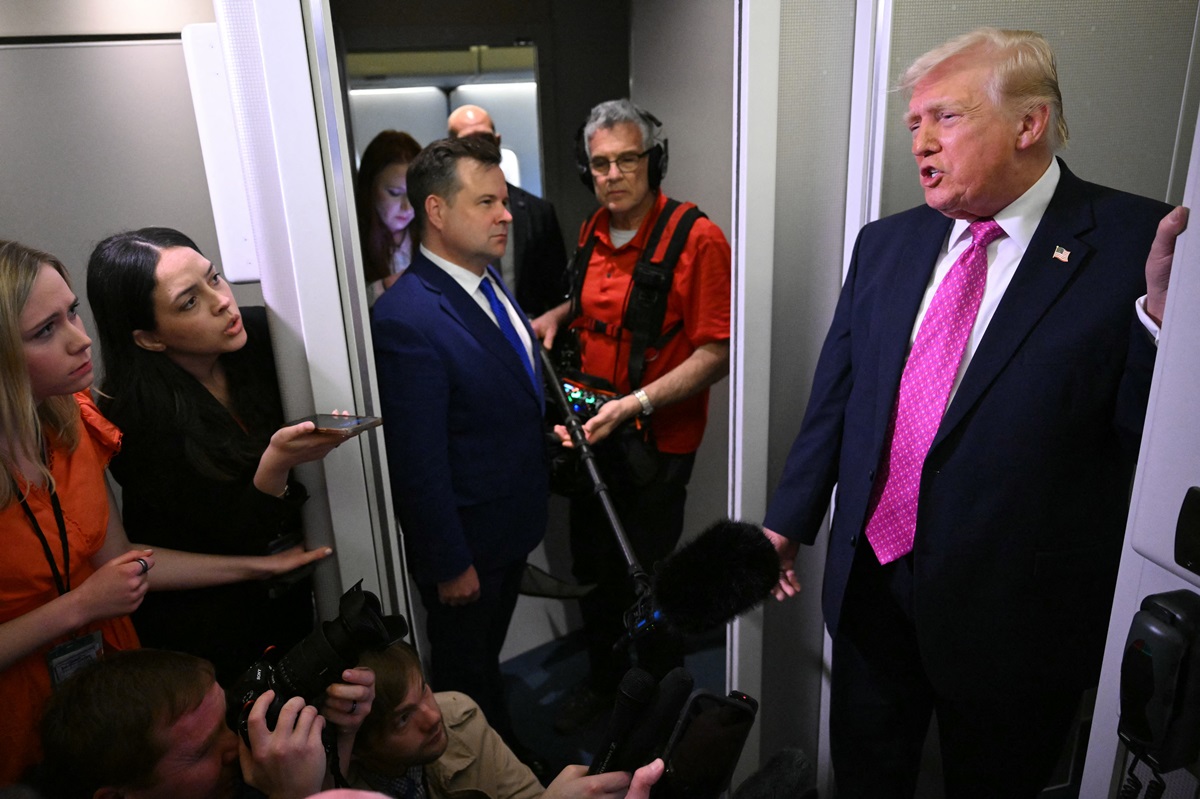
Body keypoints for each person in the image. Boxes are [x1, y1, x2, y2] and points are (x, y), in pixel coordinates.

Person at [761, 28, 1188, 797]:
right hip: (871, 586)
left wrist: (1166, 324)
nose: (921, 141)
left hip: (1017, 614)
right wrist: (787, 521)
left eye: (945, 117)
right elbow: (838, 395)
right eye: (914, 123)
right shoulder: (886, 243)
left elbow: (1148, 444)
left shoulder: (1137, 245)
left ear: (1030, 123)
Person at [0, 240, 330, 784]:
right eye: (45, 331)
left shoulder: (71, 418)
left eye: (72, 313)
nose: (81, 339)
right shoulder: (138, 413)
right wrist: (80, 606)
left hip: (111, 679)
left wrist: (260, 566)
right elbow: (106, 584)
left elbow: (123, 559)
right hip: (20, 699)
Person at [530, 99, 731, 733]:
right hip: (592, 435)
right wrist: (557, 315)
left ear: (654, 161)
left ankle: (661, 709)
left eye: (627, 159)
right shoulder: (593, 229)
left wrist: (635, 404)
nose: (613, 174)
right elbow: (596, 307)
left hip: (656, 444)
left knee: (649, 582)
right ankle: (603, 682)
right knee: (594, 569)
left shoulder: (697, 239)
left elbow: (716, 354)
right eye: (600, 164)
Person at [86, 227, 345, 685]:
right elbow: (232, 533)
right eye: (189, 302)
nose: (222, 301)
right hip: (205, 622)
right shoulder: (132, 417)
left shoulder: (260, 337)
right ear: (149, 339)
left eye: (214, 278)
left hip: (288, 592)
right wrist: (277, 461)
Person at [371, 136, 549, 774]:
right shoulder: (407, 316)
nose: (505, 215)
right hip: (467, 547)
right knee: (463, 674)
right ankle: (480, 777)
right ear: (437, 211)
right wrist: (449, 563)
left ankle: (504, 758)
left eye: (504, 201)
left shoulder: (487, 282)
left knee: (484, 664)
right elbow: (417, 460)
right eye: (487, 203)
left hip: (508, 524)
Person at [36, 648, 375, 799]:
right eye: (201, 751)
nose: (237, 747)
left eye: (227, 722)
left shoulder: (228, 787)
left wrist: (343, 731)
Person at [350, 641, 662, 799]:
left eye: (424, 690)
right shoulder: (340, 788)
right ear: (359, 748)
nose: (433, 717)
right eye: (404, 718)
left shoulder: (459, 717)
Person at [448, 104, 568, 316]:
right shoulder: (443, 214)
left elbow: (558, 293)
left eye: (485, 139)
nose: (478, 148)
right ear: (452, 148)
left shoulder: (537, 212)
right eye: (468, 142)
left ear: (497, 142)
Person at [355, 130, 423, 306]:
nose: (407, 207)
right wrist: (385, 286)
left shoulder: (432, 233)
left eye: (414, 195)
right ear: (369, 189)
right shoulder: (351, 241)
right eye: (394, 193)